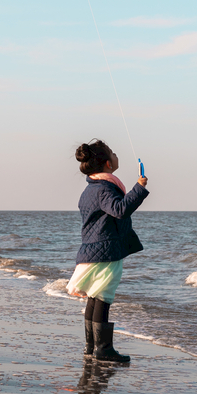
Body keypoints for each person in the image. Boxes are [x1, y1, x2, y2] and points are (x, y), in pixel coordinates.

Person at [66, 139, 149, 363]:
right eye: (112, 152)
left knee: (94, 297)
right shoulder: (103, 189)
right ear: (108, 164)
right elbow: (120, 210)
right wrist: (139, 188)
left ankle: (91, 348)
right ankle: (103, 349)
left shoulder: (91, 189)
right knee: (102, 297)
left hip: (92, 251)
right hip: (105, 252)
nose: (116, 154)